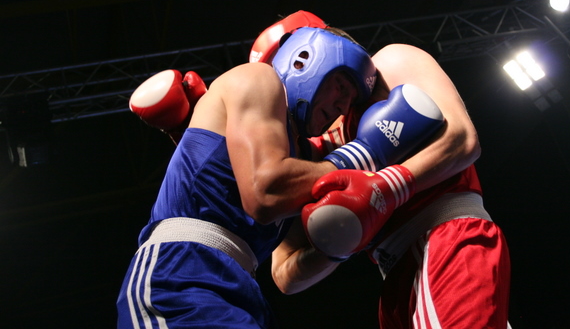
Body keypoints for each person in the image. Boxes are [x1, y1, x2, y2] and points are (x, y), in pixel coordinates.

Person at [117, 18, 386, 328]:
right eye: (341, 86)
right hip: (181, 275)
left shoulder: (302, 161)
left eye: (351, 99)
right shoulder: (259, 78)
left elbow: (285, 274)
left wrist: (341, 245)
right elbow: (265, 192)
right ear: (306, 60)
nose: (343, 105)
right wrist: (367, 153)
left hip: (243, 289)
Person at [270, 22, 511, 327]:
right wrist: (338, 245)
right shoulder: (308, 159)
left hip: (445, 240)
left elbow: (463, 139)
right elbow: (284, 275)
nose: (342, 103)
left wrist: (386, 188)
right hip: (394, 277)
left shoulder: (390, 63)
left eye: (345, 87)